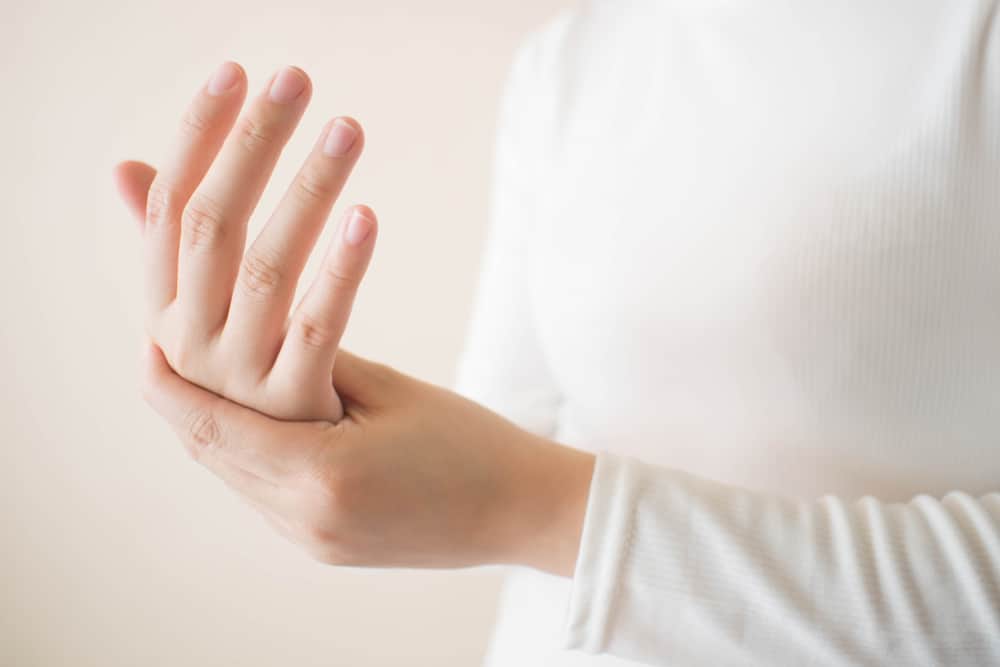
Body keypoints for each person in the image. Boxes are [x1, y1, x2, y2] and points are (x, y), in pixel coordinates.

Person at [112, 2, 1000, 665]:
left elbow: (515, 493)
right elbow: (502, 448)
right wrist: (304, 405)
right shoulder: (573, 57)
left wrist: (530, 505)